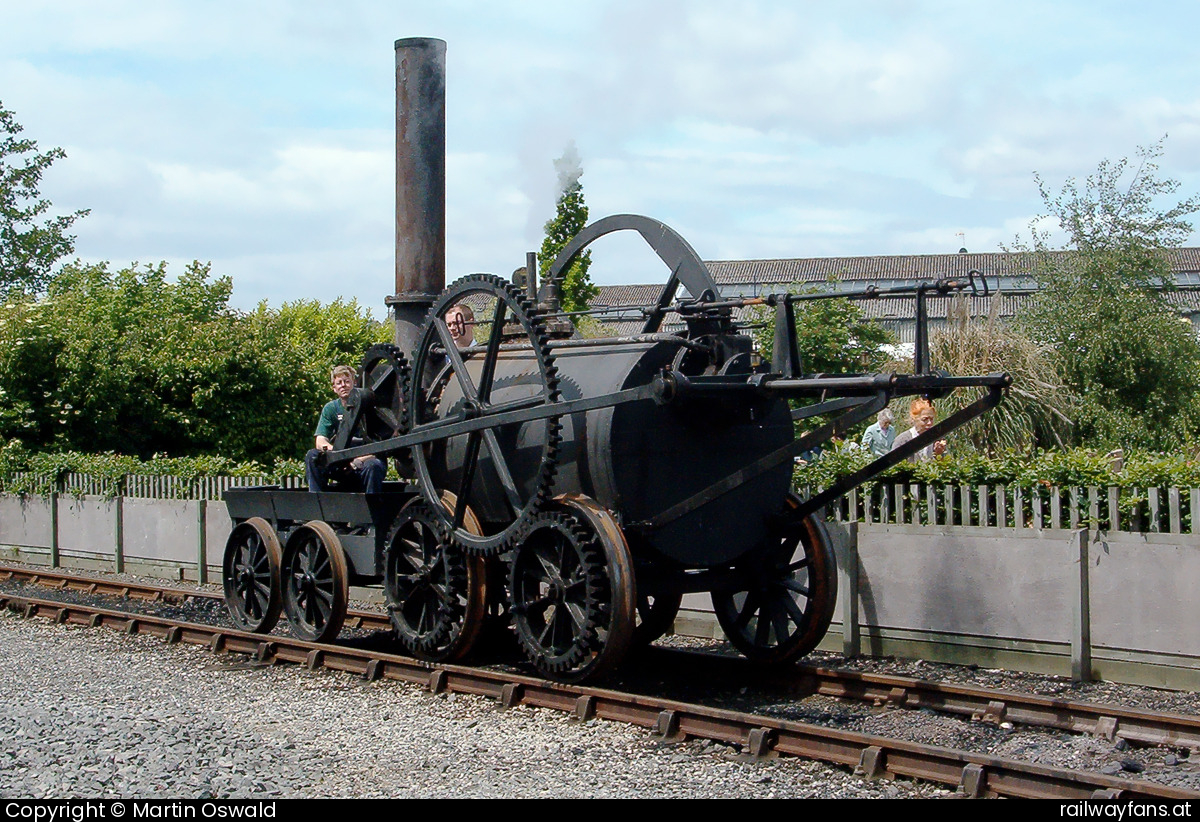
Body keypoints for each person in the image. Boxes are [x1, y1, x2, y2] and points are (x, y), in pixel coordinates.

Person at [305, 365, 386, 493]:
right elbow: (320, 441)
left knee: (374, 466)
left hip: (364, 461)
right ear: (334, 388)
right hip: (341, 461)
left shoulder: (373, 410)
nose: (343, 385)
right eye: (339, 383)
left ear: (354, 383)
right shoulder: (331, 409)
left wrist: (356, 461)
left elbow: (381, 447)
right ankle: (317, 500)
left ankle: (372, 507)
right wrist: (337, 454)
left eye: (347, 381)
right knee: (313, 456)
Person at [890, 398, 947, 462]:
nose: (929, 423)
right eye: (925, 419)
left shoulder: (938, 439)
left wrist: (938, 454)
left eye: (931, 419)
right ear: (914, 419)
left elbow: (946, 465)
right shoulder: (902, 440)